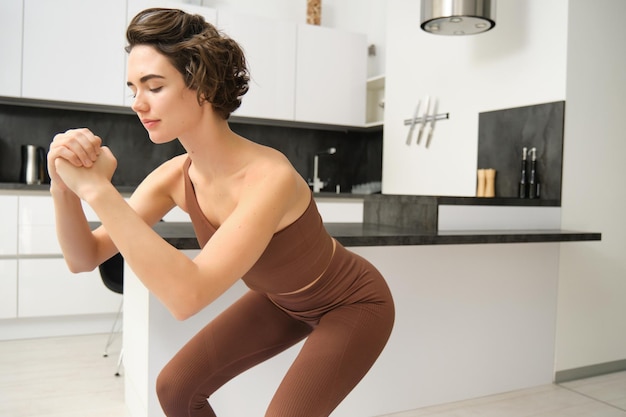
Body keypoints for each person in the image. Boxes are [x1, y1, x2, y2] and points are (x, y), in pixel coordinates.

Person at [48, 7, 394, 417]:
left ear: (202, 87)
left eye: (153, 86)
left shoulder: (270, 177)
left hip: (352, 304)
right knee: (176, 388)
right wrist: (62, 184)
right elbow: (83, 257)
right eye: (133, 88)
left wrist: (97, 189)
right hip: (281, 301)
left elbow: (186, 296)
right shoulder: (175, 176)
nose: (137, 104)